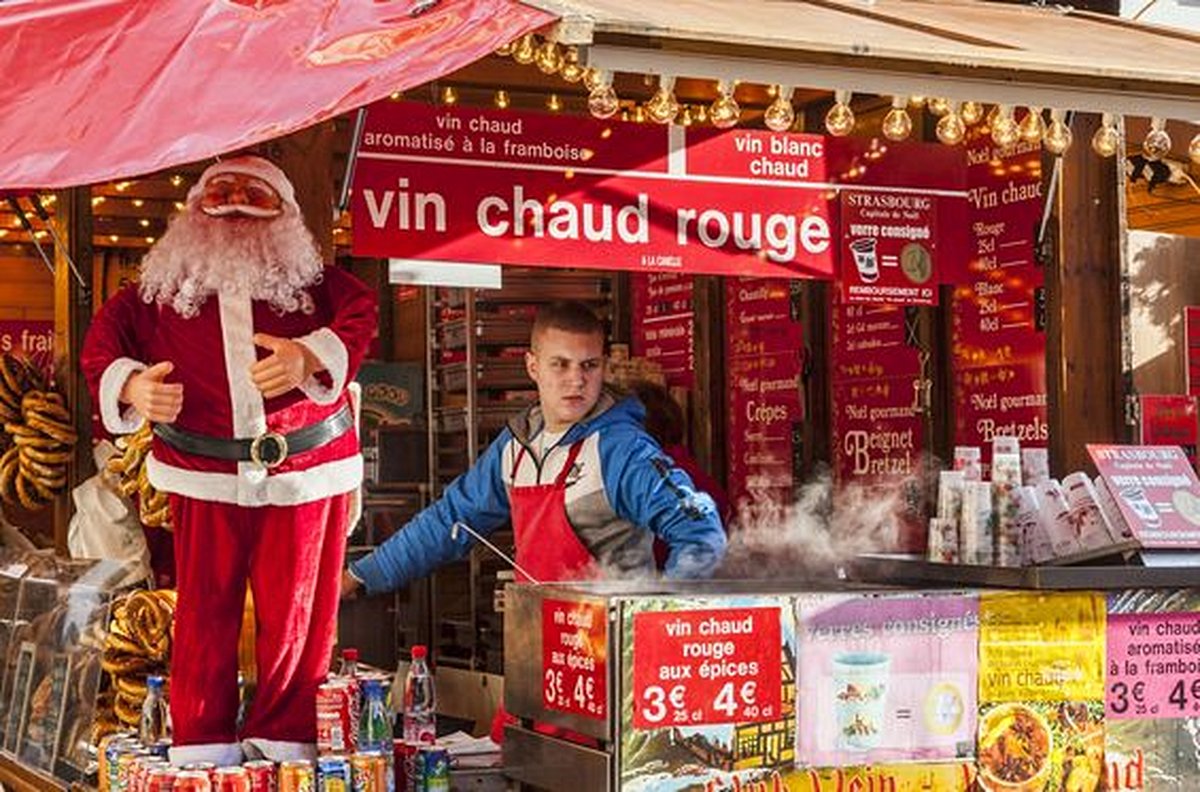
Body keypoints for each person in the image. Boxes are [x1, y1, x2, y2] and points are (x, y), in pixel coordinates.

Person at [81, 155, 378, 765]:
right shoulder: (158, 292)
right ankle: (202, 746)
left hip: (305, 470)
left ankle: (286, 745)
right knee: (202, 611)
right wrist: (132, 386)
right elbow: (103, 344)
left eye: (255, 194)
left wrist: (308, 357)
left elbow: (361, 315)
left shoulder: (315, 281)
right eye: (223, 191)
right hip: (203, 470)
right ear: (194, 207)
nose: (237, 203)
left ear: (286, 210)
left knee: (298, 615)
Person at [342, 300, 726, 599]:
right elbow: (450, 521)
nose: (576, 380)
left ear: (603, 367)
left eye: (588, 365)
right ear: (532, 366)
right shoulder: (517, 446)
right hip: (540, 649)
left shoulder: (621, 449)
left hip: (611, 661)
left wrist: (662, 617)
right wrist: (360, 575)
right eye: (560, 365)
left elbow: (700, 532)